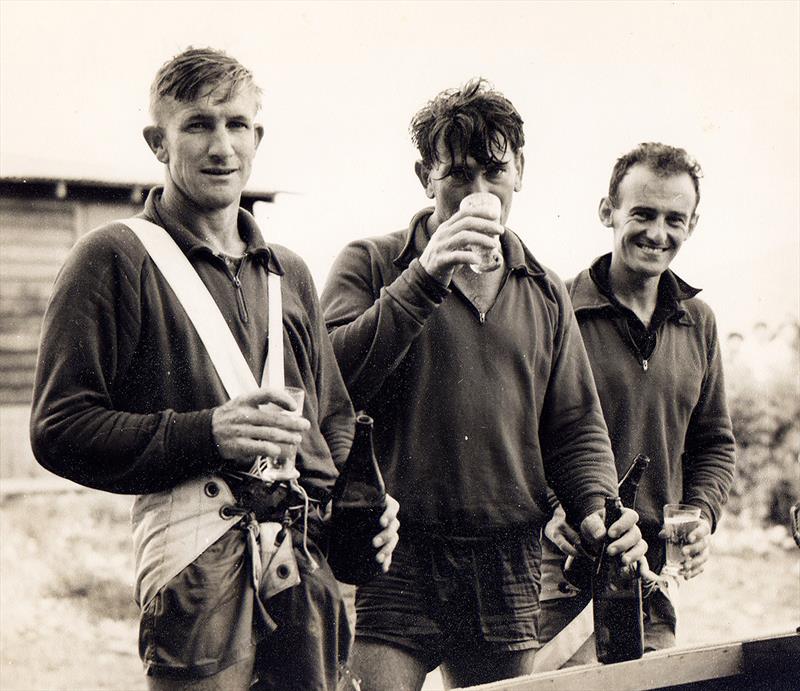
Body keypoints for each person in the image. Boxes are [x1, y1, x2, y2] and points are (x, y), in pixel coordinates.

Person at [29, 47, 399, 691]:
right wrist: (207, 433)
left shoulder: (288, 272)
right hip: (194, 569)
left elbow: (329, 424)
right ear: (157, 141)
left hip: (303, 576)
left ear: (258, 135)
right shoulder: (114, 257)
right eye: (197, 124)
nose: (220, 145)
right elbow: (57, 427)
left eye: (236, 124)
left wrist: (358, 507)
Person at [320, 78, 646, 689]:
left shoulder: (544, 288)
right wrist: (425, 276)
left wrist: (598, 510)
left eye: (494, 172)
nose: (478, 192)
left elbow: (574, 424)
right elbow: (329, 384)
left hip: (508, 557)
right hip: (396, 551)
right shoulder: (369, 262)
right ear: (425, 175)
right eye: (458, 174)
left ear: (520, 169)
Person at [539, 142, 737, 663]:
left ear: (692, 224)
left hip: (653, 583)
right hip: (564, 579)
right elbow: (515, 434)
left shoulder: (701, 322)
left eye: (675, 218)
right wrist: (552, 507)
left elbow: (714, 442)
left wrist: (703, 517)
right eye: (642, 214)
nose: (658, 232)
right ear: (608, 211)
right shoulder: (555, 310)